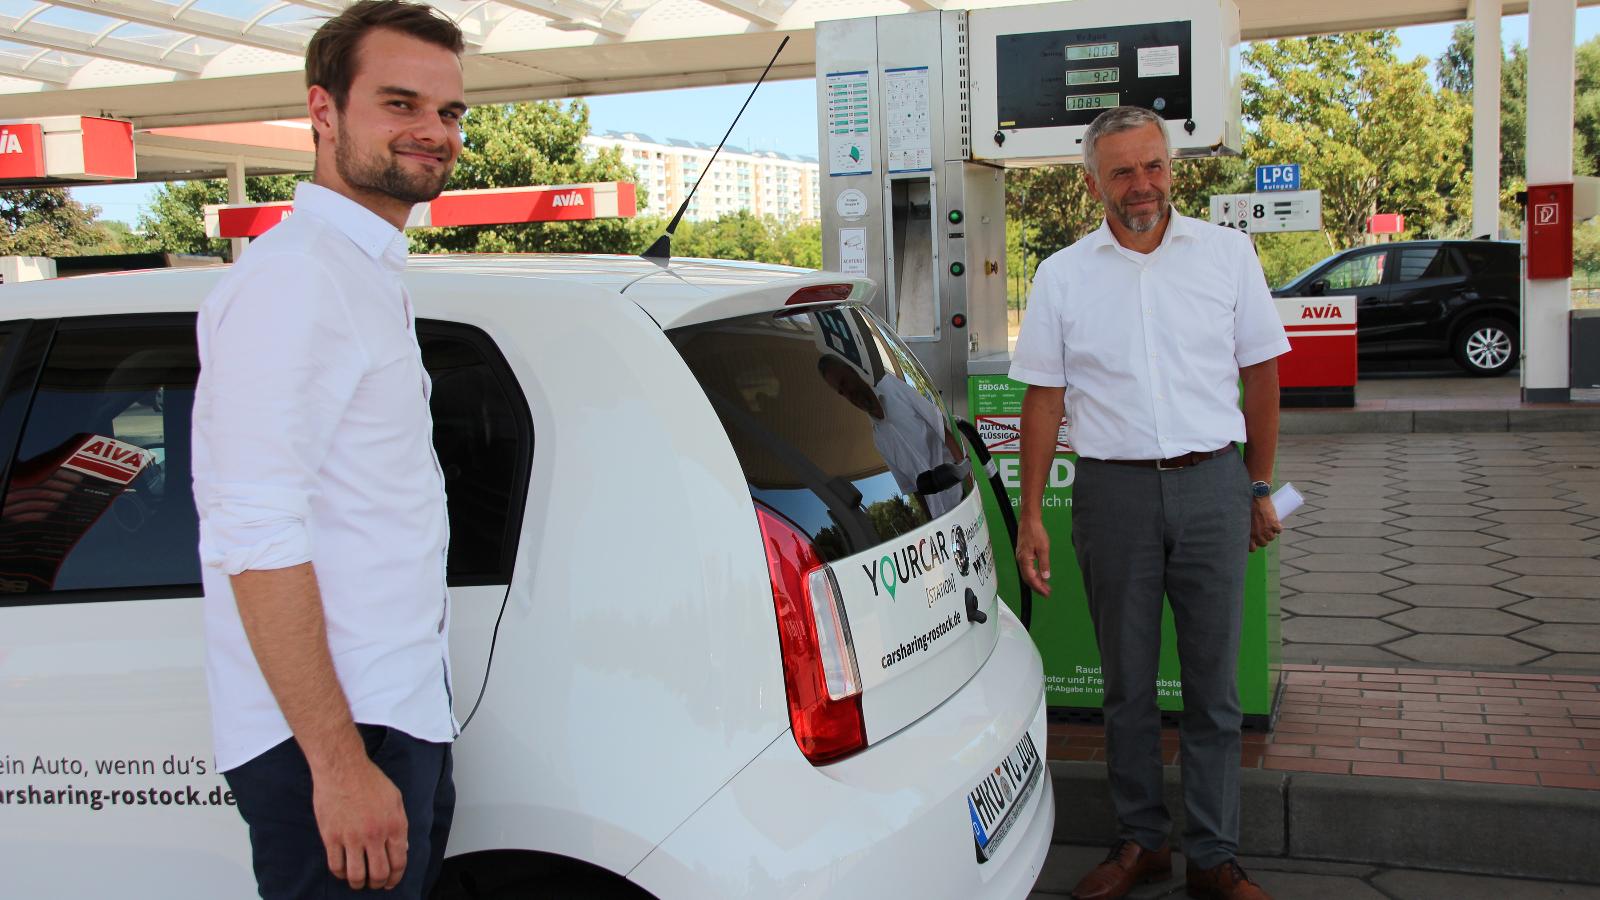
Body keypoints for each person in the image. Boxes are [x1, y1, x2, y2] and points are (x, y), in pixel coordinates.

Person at [192, 2, 467, 896]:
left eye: (449, 112)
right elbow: (253, 531)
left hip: (392, 713)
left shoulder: (360, 269)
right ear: (323, 111)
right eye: (399, 104)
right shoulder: (296, 281)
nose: (433, 131)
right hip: (335, 740)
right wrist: (339, 766)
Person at [1007, 106, 1289, 900]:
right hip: (1113, 493)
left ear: (1174, 166)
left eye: (1154, 165)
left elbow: (1263, 374)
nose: (1143, 185)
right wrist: (1031, 513)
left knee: (1214, 687)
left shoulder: (1228, 256)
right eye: (1123, 171)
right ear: (1091, 180)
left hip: (1212, 485)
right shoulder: (1063, 274)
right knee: (1126, 684)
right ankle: (1140, 842)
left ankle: (1213, 854)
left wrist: (1257, 485)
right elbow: (1043, 400)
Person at [818, 353, 965, 519]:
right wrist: (930, 521)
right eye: (841, 392)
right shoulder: (879, 440)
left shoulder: (893, 387)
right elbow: (913, 488)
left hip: (961, 495)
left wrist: (966, 475)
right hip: (941, 518)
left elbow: (943, 430)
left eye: (844, 383)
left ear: (852, 371)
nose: (848, 393)